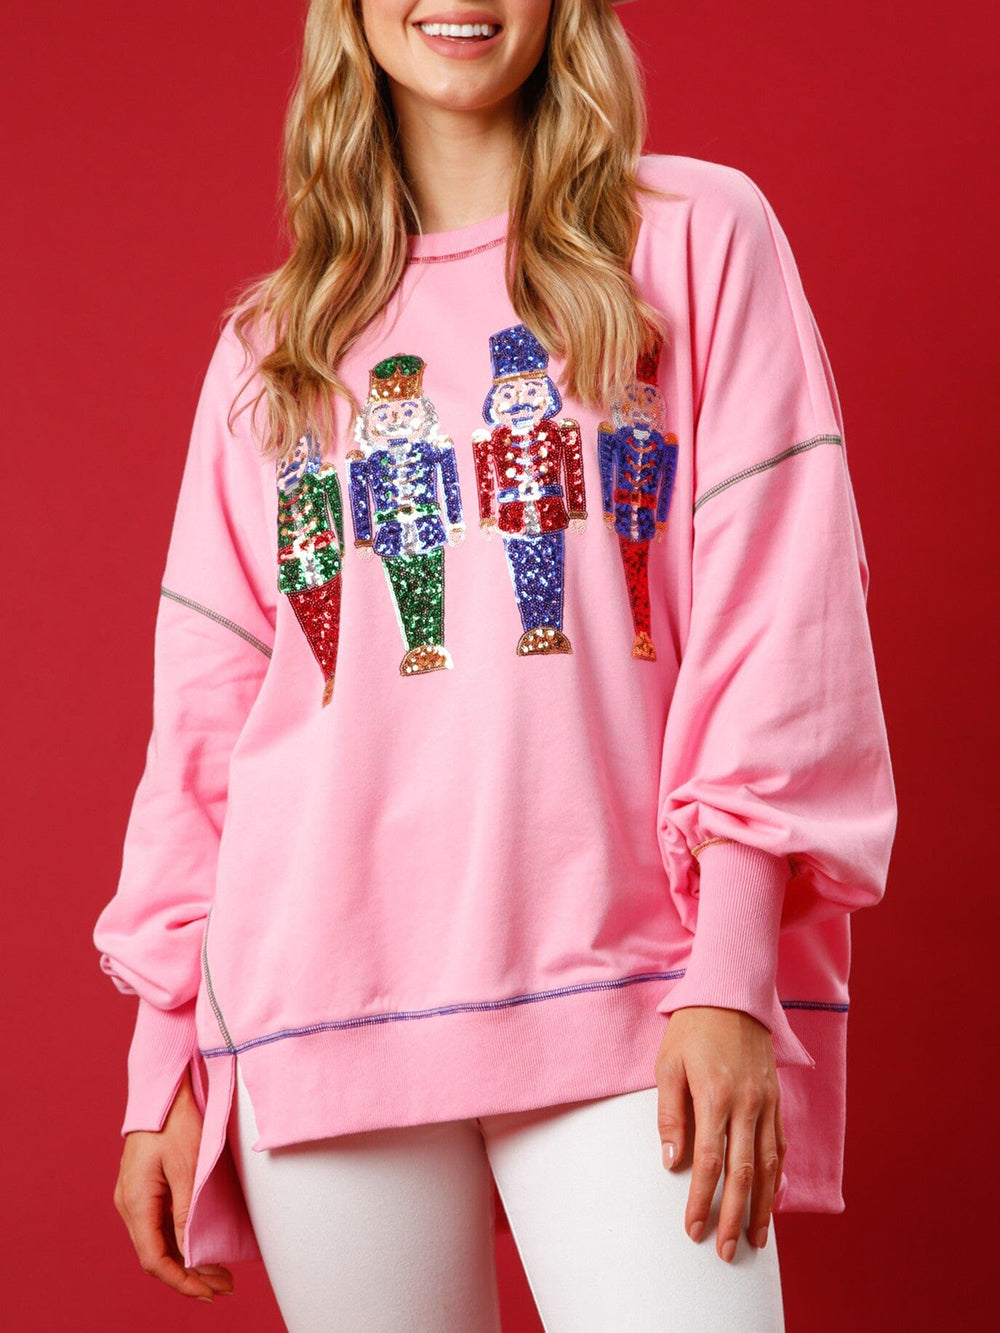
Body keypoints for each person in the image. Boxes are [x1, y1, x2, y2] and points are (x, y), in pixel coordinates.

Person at [92, 2, 898, 1329]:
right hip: (315, 1006)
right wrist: (162, 1059)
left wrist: (733, 965)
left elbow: (784, 611)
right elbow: (206, 717)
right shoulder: (272, 348)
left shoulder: (696, 238)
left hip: (636, 984)